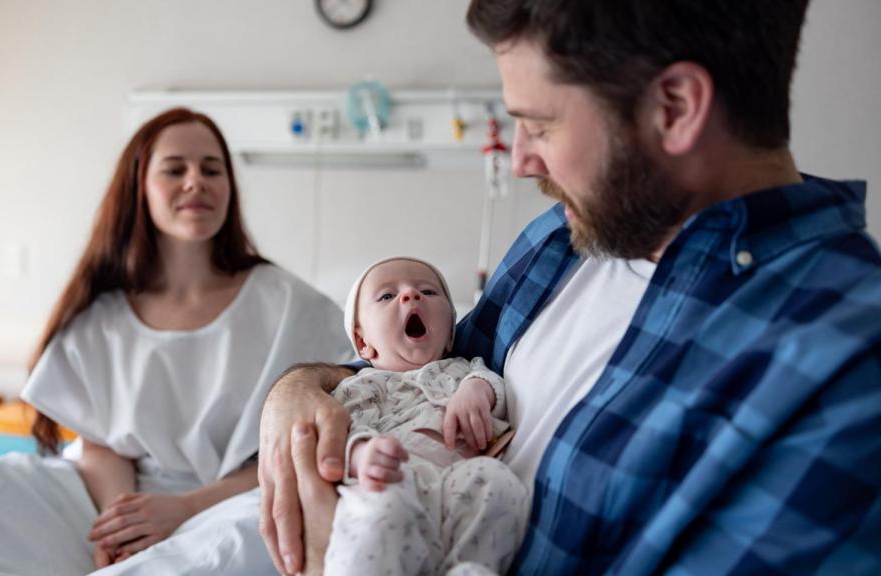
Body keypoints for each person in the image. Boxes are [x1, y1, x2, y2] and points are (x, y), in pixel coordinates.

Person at [257, 1, 881, 575]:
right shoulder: (565, 235)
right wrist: (297, 389)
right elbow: (424, 367)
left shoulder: (844, 371)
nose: (521, 160)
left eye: (541, 125)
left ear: (675, 107)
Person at [0, 108, 351, 575]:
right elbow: (102, 446)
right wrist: (121, 522)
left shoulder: (290, 306)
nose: (195, 181)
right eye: (174, 169)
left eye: (211, 169)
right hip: (109, 493)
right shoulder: (103, 316)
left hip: (233, 498)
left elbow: (295, 447)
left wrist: (182, 509)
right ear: (139, 189)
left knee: (249, 535)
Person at [325, 256, 527, 575]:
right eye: (387, 295)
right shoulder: (361, 386)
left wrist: (477, 390)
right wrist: (361, 455)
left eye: (429, 292)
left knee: (497, 482)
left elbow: (493, 387)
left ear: (450, 336)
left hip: (456, 482)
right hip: (395, 477)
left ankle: (468, 568)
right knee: (381, 506)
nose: (411, 294)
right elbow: (338, 434)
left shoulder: (465, 370)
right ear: (363, 343)